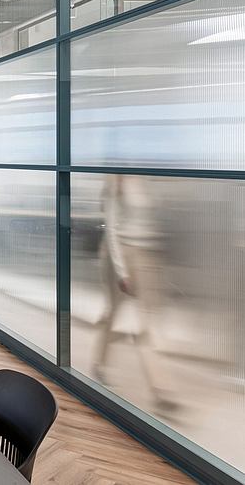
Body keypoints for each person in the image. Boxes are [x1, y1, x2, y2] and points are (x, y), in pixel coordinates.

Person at [92, 174, 180, 417]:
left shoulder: (148, 177)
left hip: (146, 254)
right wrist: (121, 272)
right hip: (118, 255)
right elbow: (110, 228)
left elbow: (152, 223)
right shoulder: (115, 181)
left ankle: (162, 390)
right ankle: (99, 363)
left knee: (148, 321)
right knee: (113, 313)